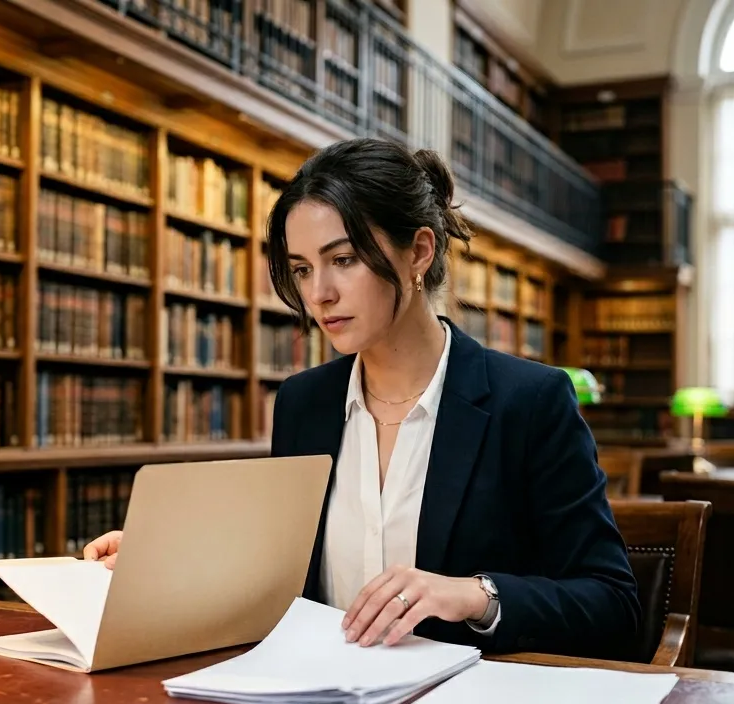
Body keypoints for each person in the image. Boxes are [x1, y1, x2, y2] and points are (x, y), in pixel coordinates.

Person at [83, 137, 640, 660]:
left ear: (420, 251)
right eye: (302, 269)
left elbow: (613, 605)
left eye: (343, 259)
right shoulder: (304, 403)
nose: (319, 293)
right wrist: (164, 564)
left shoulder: (530, 402)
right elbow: (284, 580)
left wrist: (475, 595)